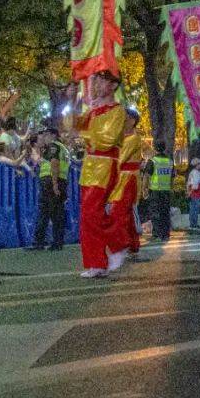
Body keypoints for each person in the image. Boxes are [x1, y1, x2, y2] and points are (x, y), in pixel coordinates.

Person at [67, 71, 127, 278]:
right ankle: (96, 263)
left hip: (105, 164)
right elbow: (72, 126)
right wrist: (72, 99)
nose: (97, 85)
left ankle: (118, 244)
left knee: (93, 212)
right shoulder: (93, 110)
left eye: (102, 81)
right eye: (96, 81)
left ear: (113, 85)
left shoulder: (117, 111)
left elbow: (107, 139)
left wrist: (82, 134)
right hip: (90, 165)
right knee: (86, 216)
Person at [104, 111, 143, 264]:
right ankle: (132, 245)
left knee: (118, 213)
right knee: (125, 214)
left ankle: (121, 246)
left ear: (132, 121)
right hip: (122, 177)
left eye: (124, 118)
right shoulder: (122, 138)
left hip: (128, 178)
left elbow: (119, 159)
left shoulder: (133, 138)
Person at [29, 127, 69, 251]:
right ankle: (40, 242)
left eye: (46, 134)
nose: (44, 137)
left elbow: (54, 163)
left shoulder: (54, 146)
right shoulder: (60, 148)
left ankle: (55, 243)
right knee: (45, 213)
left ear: (53, 135)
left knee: (54, 213)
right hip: (50, 181)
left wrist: (55, 184)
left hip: (52, 181)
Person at [143, 141, 175, 242]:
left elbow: (146, 176)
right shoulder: (170, 161)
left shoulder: (153, 161)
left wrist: (144, 189)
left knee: (155, 212)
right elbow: (172, 177)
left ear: (154, 148)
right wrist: (171, 188)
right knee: (165, 212)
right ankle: (165, 234)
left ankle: (156, 234)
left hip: (155, 191)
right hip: (166, 191)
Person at [186, 158, 200, 229]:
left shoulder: (194, 172)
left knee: (193, 209)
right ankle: (194, 224)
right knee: (195, 209)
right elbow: (195, 185)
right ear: (197, 165)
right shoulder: (196, 173)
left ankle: (193, 224)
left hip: (193, 193)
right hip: (196, 194)